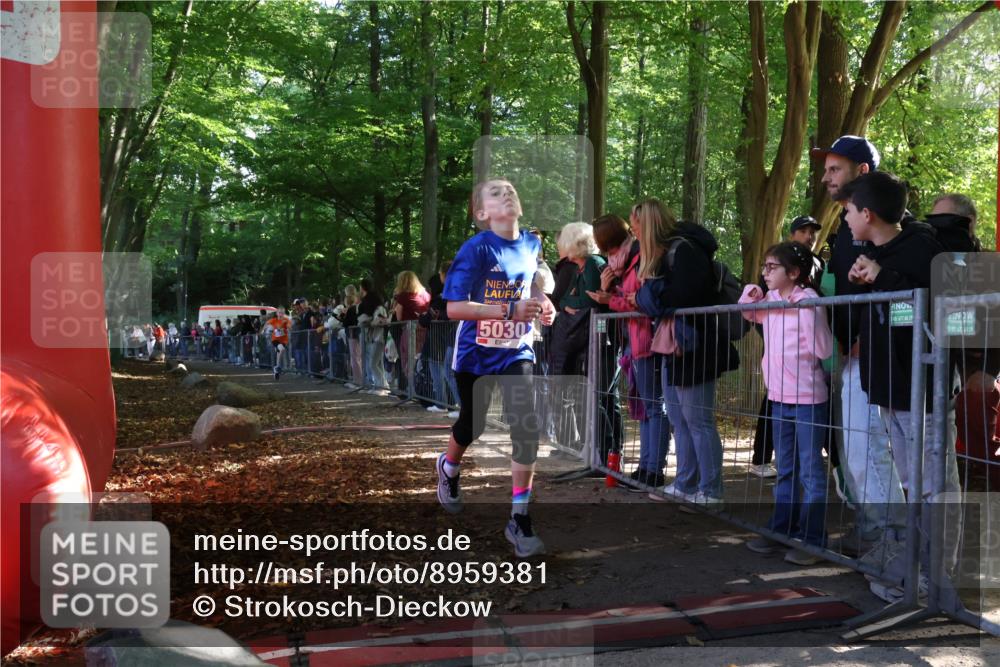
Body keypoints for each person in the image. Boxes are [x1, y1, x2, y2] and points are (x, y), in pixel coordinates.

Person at [838, 171, 961, 601]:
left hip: (923, 392)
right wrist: (868, 277)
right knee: (912, 483)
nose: (846, 219)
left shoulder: (921, 247)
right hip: (891, 390)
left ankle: (938, 579)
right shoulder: (877, 250)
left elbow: (930, 305)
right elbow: (893, 312)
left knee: (934, 487)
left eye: (849, 211)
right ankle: (915, 569)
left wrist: (882, 278)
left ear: (867, 213)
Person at [436, 179, 556, 558]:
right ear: (482, 214)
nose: (506, 193)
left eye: (510, 189)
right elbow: (453, 308)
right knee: (474, 423)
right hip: (475, 352)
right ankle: (449, 467)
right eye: (495, 192)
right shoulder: (475, 249)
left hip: (516, 349)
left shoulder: (532, 244)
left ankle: (519, 517)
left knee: (526, 424)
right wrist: (507, 310)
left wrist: (543, 303)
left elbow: (532, 286)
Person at [810, 135, 904, 558]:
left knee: (869, 450)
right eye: (826, 169)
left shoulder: (881, 227)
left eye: (835, 169)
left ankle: (889, 538)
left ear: (862, 171)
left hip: (875, 360)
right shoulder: (846, 227)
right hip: (852, 357)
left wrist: (870, 338)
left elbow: (901, 290)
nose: (826, 177)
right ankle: (874, 530)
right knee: (856, 451)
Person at [632, 199, 739, 507]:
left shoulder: (685, 251)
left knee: (698, 420)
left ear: (648, 223)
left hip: (696, 344)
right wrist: (651, 295)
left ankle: (711, 489)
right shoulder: (663, 257)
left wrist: (650, 293)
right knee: (679, 418)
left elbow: (683, 297)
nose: (633, 230)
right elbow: (654, 300)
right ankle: (685, 482)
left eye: (636, 223)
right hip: (673, 345)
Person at [740, 242, 834, 566]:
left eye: (771, 268)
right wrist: (751, 292)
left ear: (793, 273)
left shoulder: (808, 301)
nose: (765, 273)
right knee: (786, 469)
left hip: (808, 399)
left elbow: (822, 349)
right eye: (764, 267)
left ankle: (813, 539)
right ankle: (781, 529)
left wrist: (807, 313)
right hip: (778, 397)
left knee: (810, 471)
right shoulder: (772, 299)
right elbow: (748, 313)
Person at [588, 211, 663, 489]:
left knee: (655, 408)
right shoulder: (624, 264)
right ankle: (644, 468)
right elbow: (627, 299)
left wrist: (611, 299)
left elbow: (640, 303)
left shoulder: (641, 260)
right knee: (644, 408)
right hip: (634, 342)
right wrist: (608, 291)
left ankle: (654, 469)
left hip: (647, 341)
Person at [549, 222, 608, 458]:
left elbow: (589, 300)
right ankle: (574, 445)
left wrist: (567, 302)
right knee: (570, 392)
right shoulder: (582, 266)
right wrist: (567, 302)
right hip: (577, 337)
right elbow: (564, 300)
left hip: (584, 338)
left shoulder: (592, 264)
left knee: (583, 393)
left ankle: (589, 446)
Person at [393, 271, 431, 400]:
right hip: (426, 330)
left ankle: (413, 391)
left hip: (410, 330)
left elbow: (398, 317)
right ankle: (423, 390)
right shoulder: (425, 295)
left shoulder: (402, 296)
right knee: (421, 359)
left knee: (408, 360)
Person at [265, 307, 292, 380]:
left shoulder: (286, 320)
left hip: (283, 340)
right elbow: (266, 324)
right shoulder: (273, 320)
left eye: (282, 313)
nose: (281, 314)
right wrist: (268, 329)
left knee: (278, 353)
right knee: (282, 349)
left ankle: (276, 370)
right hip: (275, 339)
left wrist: (287, 326)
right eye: (279, 312)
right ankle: (277, 367)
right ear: (277, 313)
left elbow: (290, 327)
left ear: (284, 314)